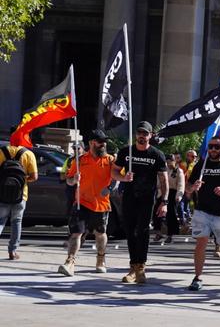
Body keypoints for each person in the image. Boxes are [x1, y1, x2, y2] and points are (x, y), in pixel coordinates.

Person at [111, 121, 168, 284]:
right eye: (139, 133)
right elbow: (114, 171)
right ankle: (133, 268)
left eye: (145, 133)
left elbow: (163, 179)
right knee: (129, 231)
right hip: (129, 197)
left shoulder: (157, 155)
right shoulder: (125, 152)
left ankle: (141, 267)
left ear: (151, 136)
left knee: (142, 231)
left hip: (147, 199)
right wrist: (123, 177)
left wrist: (164, 202)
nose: (141, 136)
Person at [58, 130, 115, 276]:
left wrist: (109, 188)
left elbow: (116, 179)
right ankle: (70, 262)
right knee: (76, 233)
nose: (103, 144)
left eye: (104, 141)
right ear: (91, 143)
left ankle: (101, 259)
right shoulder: (79, 160)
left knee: (100, 233)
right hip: (81, 202)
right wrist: (74, 180)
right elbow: (69, 181)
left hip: (101, 204)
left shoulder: (110, 160)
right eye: (100, 141)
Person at [186, 136, 220, 290]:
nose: (213, 150)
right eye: (211, 147)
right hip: (202, 210)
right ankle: (198, 277)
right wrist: (193, 187)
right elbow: (188, 188)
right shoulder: (201, 165)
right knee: (200, 243)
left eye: (217, 147)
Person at [0, 139, 38, 260]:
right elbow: (34, 176)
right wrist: (23, 180)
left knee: (0, 220)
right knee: (16, 221)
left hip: (2, 193)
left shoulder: (1, 151)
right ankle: (13, 251)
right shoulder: (28, 154)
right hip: (21, 194)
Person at [153, 154, 184, 243]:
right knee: (157, 212)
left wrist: (179, 195)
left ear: (174, 161)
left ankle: (170, 234)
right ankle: (158, 232)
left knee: (171, 214)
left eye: (171, 161)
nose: (169, 163)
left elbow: (181, 184)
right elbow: (159, 181)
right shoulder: (163, 170)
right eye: (167, 161)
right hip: (162, 192)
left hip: (173, 193)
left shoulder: (179, 171)